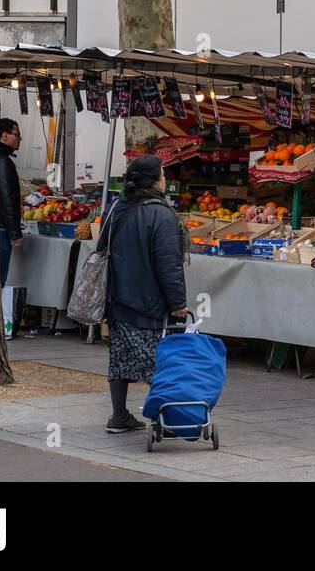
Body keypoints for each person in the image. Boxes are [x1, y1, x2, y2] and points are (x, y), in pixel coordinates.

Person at [96, 155, 189, 433]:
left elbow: (102, 245)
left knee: (120, 358)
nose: (165, 180)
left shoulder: (116, 208)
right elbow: (169, 264)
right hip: (149, 301)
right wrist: (178, 303)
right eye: (163, 174)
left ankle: (119, 415)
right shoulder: (161, 214)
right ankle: (163, 419)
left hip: (118, 297)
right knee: (157, 362)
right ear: (153, 180)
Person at [0, 119, 23, 287]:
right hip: (1, 227)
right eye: (16, 135)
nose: (20, 139)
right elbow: (6, 197)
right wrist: (15, 232)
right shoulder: (3, 162)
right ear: (4, 136)